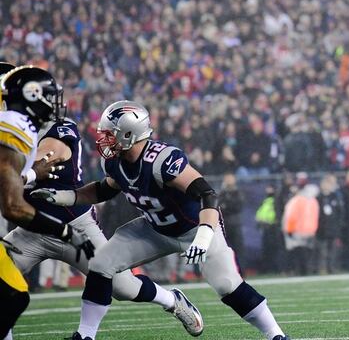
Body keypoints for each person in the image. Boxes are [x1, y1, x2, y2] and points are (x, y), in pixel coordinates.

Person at [31, 100, 289, 340]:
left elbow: (208, 196)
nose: (103, 139)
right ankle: (85, 336)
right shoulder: (115, 163)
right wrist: (64, 197)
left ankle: (277, 335)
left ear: (129, 134)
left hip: (194, 229)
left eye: (109, 133)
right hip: (154, 229)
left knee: (227, 285)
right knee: (101, 264)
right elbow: (103, 189)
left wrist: (203, 235)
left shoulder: (162, 160)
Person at [4, 91, 204, 336]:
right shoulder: (11, 133)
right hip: (31, 230)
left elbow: (37, 160)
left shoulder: (60, 131)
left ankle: (171, 301)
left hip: (75, 229)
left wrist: (24, 173)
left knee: (121, 287)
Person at [0, 65, 93, 337]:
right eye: (48, 96)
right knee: (14, 296)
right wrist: (64, 231)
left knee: (13, 294)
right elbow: (13, 207)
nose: (53, 104)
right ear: (32, 96)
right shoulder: (15, 127)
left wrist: (29, 173)